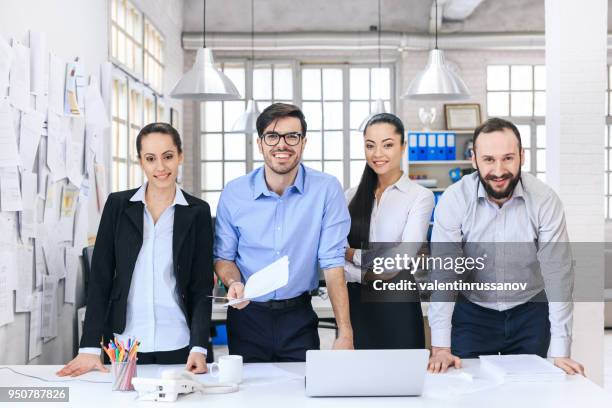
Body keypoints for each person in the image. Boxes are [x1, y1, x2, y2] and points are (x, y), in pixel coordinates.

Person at [428, 117, 584, 375]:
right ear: (474, 159)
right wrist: (441, 346)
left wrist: (560, 350)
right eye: (489, 159)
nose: (499, 170)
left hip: (530, 313)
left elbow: (559, 273)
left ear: (522, 156)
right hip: (473, 314)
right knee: (467, 391)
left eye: (508, 158)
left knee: (532, 392)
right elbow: (444, 274)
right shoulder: (454, 200)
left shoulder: (545, 200)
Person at [57, 123, 214, 376]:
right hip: (124, 344)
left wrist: (199, 345)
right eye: (150, 158)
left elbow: (201, 285)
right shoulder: (118, 205)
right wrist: (88, 348)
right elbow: (100, 280)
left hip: (180, 343)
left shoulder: (198, 211)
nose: (160, 167)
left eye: (168, 157)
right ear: (140, 161)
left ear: (180, 156)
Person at [214, 103, 353, 362]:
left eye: (292, 136)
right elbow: (224, 257)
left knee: (302, 396)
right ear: (260, 143)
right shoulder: (235, 192)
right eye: (272, 136)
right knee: (249, 397)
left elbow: (334, 264)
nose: (282, 145)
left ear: (303, 142)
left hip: (298, 317)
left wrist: (345, 332)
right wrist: (234, 283)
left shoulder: (326, 190)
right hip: (247, 318)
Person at [345, 113, 434, 349]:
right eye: (370, 146)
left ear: (403, 147)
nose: (378, 154)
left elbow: (401, 258)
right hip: (354, 306)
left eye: (388, 145)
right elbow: (334, 256)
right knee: (360, 382)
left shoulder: (420, 197)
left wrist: (353, 256)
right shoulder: (349, 197)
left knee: (404, 381)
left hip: (398, 304)